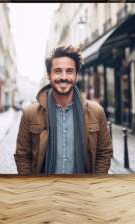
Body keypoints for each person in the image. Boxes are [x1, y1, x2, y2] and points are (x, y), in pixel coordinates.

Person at [14, 45, 113, 175]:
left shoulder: (96, 112)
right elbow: (22, 156)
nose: (64, 77)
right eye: (58, 71)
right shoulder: (30, 114)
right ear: (49, 75)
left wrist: (95, 185)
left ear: (76, 75)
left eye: (70, 71)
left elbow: (104, 153)